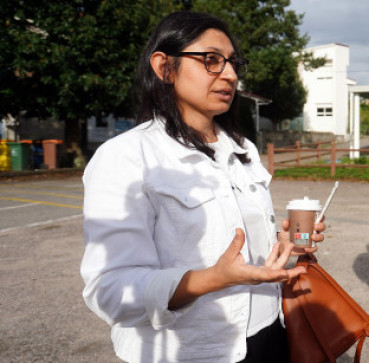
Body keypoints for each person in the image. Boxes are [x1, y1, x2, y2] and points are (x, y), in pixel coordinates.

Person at [80, 12, 324, 362]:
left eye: (234, 63)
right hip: (190, 351)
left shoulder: (243, 150)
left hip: (269, 337)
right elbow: (110, 290)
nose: (231, 74)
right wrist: (211, 279)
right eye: (211, 60)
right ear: (165, 67)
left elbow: (248, 248)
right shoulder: (127, 157)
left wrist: (285, 246)